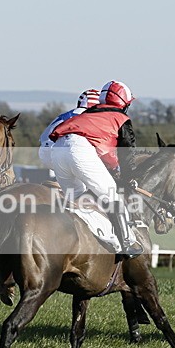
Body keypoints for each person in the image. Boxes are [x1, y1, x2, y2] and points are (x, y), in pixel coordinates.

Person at [48, 80, 143, 258]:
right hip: (79, 150)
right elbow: (127, 153)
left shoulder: (90, 112)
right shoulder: (121, 119)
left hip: (58, 150)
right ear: (124, 103)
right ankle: (126, 244)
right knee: (112, 195)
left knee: (76, 200)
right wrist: (129, 177)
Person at [38, 88, 100, 168]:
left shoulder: (65, 115)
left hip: (47, 152)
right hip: (71, 155)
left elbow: (44, 137)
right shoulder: (92, 117)